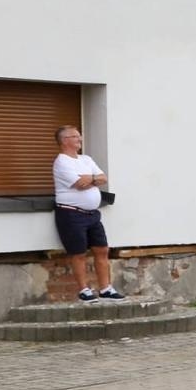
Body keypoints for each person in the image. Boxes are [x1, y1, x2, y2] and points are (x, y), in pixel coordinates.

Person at [52, 126, 124, 302]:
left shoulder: (86, 159)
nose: (80, 139)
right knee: (78, 253)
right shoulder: (61, 162)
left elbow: (103, 178)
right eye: (75, 136)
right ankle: (84, 290)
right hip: (71, 214)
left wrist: (89, 179)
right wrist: (93, 179)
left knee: (102, 249)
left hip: (92, 214)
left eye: (79, 135)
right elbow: (79, 184)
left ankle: (105, 288)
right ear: (64, 140)